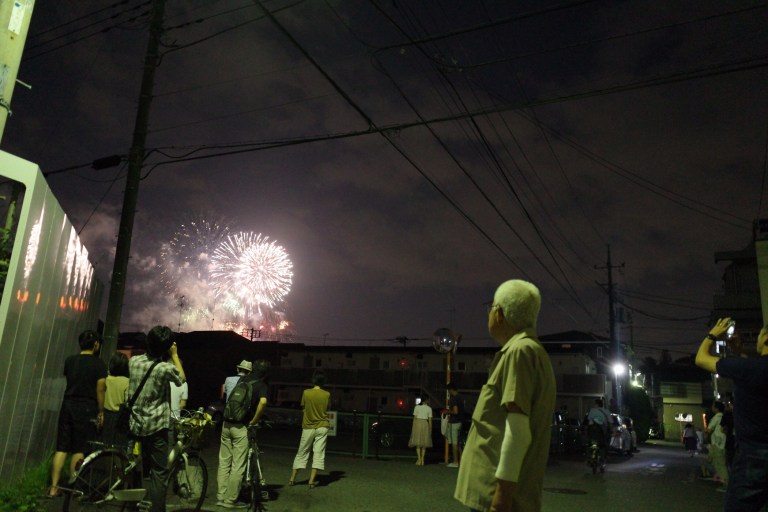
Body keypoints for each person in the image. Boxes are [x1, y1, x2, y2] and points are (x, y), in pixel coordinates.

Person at [455, 279, 556, 512]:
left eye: (491, 308)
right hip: (502, 496)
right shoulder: (531, 351)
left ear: (499, 314)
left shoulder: (520, 351)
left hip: (496, 497)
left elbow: (517, 431)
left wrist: (501, 499)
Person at [695, 317, 768, 510]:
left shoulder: (748, 369)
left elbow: (701, 359)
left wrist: (713, 335)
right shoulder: (751, 368)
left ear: (766, 338)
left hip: (753, 456)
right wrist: (739, 352)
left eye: (759, 334)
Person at [128, 326, 185, 512]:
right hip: (156, 427)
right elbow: (181, 379)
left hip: (134, 424)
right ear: (166, 348)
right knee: (159, 473)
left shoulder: (134, 361)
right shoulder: (164, 368)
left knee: (134, 467)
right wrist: (174, 355)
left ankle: (133, 505)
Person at [48, 330, 108, 498]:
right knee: (79, 448)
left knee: (62, 448)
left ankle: (53, 488)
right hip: (86, 406)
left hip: (67, 404)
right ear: (96, 344)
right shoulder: (99, 364)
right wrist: (101, 411)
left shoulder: (70, 361)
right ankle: (73, 487)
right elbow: (100, 388)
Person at [217, 360, 269, 508]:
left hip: (227, 423)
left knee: (224, 462)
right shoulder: (261, 385)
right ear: (265, 374)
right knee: (238, 465)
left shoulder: (242, 379)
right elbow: (263, 402)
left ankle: (221, 496)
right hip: (241, 426)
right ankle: (230, 500)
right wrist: (254, 420)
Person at [289, 369, 331, 488]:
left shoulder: (306, 392)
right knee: (318, 453)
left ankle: (292, 479)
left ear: (313, 380)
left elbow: (303, 408)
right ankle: (311, 481)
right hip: (322, 426)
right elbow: (327, 409)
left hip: (308, 426)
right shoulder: (327, 394)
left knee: (302, 451)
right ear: (324, 381)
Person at [101, 352, 130, 449]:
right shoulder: (127, 382)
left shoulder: (105, 379)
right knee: (118, 447)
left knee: (104, 445)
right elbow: (127, 401)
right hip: (120, 417)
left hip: (105, 415)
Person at [706, 401, 728, 489]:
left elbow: (709, 429)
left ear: (716, 408)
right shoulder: (724, 416)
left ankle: (726, 483)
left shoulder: (717, 417)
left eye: (713, 406)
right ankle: (720, 478)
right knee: (717, 461)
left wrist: (706, 434)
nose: (712, 408)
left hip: (717, 443)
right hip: (722, 442)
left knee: (720, 463)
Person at [408, 397, 433, 466]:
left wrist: (413, 427)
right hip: (425, 424)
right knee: (424, 443)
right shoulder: (429, 408)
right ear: (427, 400)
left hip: (418, 424)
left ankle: (419, 459)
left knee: (418, 442)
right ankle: (422, 460)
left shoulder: (417, 407)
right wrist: (430, 429)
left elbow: (414, 418)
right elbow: (430, 421)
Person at [445, 383, 465, 468]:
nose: (448, 392)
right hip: (461, 422)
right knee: (459, 443)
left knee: (454, 443)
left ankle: (455, 462)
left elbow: (455, 411)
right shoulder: (461, 397)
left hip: (454, 422)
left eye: (448, 390)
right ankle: (461, 462)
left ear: (451, 390)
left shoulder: (453, 398)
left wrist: (447, 412)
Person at [586, 399, 611, 465]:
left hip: (592, 432)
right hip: (602, 433)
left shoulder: (592, 411)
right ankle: (603, 459)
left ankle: (590, 458)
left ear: (597, 404)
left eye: (594, 404)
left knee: (590, 444)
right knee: (603, 445)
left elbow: (588, 420)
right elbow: (610, 422)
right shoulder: (606, 411)